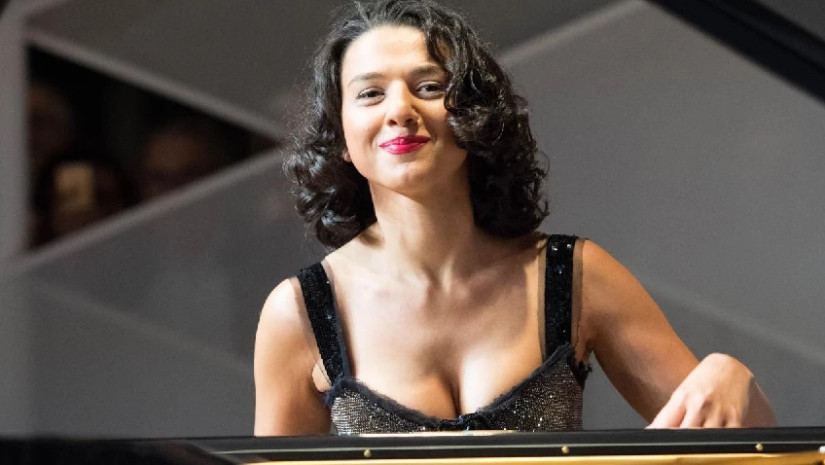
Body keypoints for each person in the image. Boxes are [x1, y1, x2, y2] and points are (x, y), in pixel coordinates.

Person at [254, 0, 775, 435]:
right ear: (341, 137)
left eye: (429, 86)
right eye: (370, 93)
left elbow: (750, 444)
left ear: (472, 113)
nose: (399, 110)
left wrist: (731, 374)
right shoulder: (298, 313)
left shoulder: (575, 275)